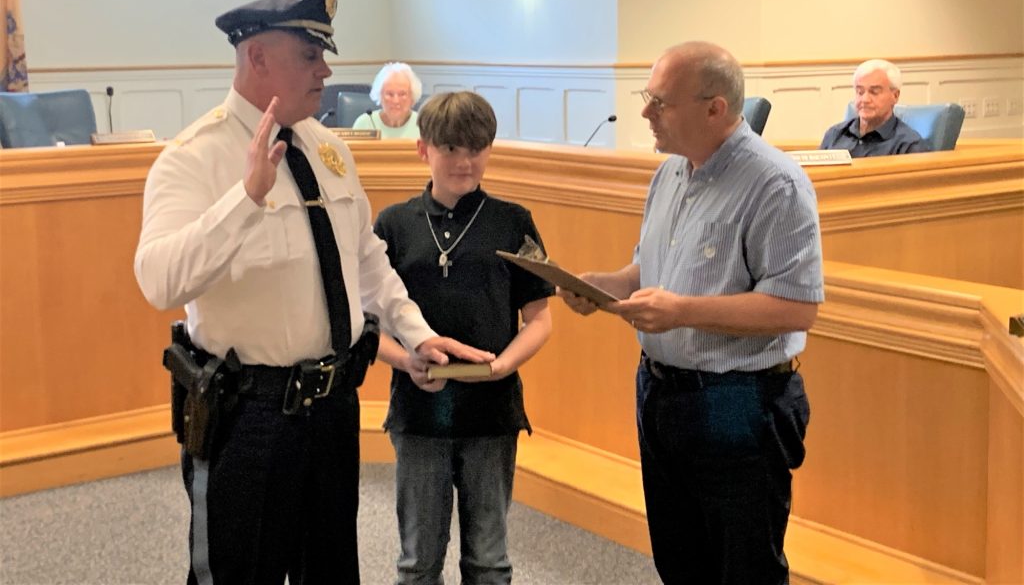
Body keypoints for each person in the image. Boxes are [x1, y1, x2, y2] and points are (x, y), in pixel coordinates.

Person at [133, 0, 494, 585]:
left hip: (331, 409)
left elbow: (367, 261)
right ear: (257, 60)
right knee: (240, 569)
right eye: (309, 54)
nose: (326, 69)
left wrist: (418, 334)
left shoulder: (329, 150)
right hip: (248, 416)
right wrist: (245, 198)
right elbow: (159, 280)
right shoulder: (192, 158)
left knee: (329, 570)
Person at [559, 41, 824, 585]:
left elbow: (797, 307)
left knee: (743, 567)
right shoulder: (671, 174)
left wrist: (682, 312)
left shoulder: (776, 183)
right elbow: (650, 268)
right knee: (680, 562)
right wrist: (604, 286)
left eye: (661, 102)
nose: (645, 113)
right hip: (659, 392)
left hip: (738, 402)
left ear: (715, 109)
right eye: (647, 98)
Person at [372, 91, 554, 585]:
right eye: (450, 148)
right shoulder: (393, 224)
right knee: (417, 562)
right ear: (422, 149)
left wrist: (501, 366)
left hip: (491, 414)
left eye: (477, 148)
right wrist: (403, 360)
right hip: (418, 412)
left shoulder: (514, 221)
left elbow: (539, 320)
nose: (465, 161)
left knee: (489, 561)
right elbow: (368, 327)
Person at [819, 59, 927, 156]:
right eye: (860, 92)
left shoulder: (908, 146)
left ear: (895, 96)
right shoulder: (835, 134)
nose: (865, 99)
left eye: (874, 92)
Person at [352, 61, 422, 138]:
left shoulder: (424, 125)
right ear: (380, 96)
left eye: (402, 94)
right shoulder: (364, 124)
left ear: (412, 96)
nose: (396, 101)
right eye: (389, 94)